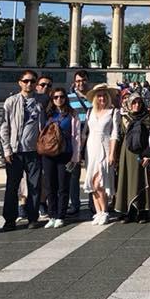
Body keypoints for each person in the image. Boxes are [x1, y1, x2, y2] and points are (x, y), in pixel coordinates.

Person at [0, 69, 46, 232]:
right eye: (26, 81)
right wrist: (6, 150)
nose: (29, 84)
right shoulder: (11, 101)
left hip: (35, 151)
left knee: (35, 186)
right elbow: (4, 127)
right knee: (12, 187)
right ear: (20, 83)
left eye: (32, 81)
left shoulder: (41, 101)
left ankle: (33, 217)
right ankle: (9, 219)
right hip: (15, 151)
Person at [42, 88, 82, 228]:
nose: (59, 99)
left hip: (65, 153)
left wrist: (75, 157)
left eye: (62, 97)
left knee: (63, 186)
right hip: (48, 154)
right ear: (52, 99)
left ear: (66, 98)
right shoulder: (47, 114)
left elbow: (76, 136)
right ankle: (51, 215)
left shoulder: (72, 114)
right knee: (49, 185)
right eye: (56, 97)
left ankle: (60, 215)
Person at [83, 84, 120, 225]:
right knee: (92, 182)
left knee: (100, 182)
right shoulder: (90, 112)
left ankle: (105, 211)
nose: (102, 98)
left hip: (104, 148)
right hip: (91, 148)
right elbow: (86, 131)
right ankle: (98, 212)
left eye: (105, 95)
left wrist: (112, 153)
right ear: (95, 98)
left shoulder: (113, 112)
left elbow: (114, 134)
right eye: (99, 95)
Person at [115, 91, 150, 223]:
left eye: (139, 102)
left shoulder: (148, 118)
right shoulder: (124, 118)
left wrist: (149, 155)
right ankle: (128, 210)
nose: (136, 105)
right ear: (129, 104)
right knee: (127, 180)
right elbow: (119, 137)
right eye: (134, 102)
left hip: (142, 153)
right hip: (127, 154)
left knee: (142, 180)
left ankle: (142, 211)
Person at [66, 71, 92, 217]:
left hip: (91, 139)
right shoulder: (69, 98)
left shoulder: (93, 98)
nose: (81, 83)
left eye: (83, 80)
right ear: (74, 82)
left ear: (88, 81)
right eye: (78, 81)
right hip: (75, 140)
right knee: (73, 174)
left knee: (92, 171)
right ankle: (74, 203)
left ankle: (92, 203)